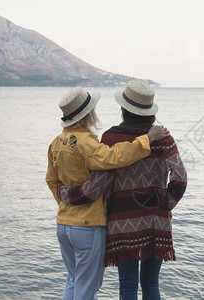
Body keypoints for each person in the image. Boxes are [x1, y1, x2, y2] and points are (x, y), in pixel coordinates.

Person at [57, 80, 187, 300]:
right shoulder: (164, 137)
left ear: (123, 109)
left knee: (128, 286)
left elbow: (97, 187)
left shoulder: (110, 138)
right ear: (149, 111)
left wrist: (66, 193)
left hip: (121, 222)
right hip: (156, 221)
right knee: (150, 283)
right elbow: (180, 178)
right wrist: (164, 204)